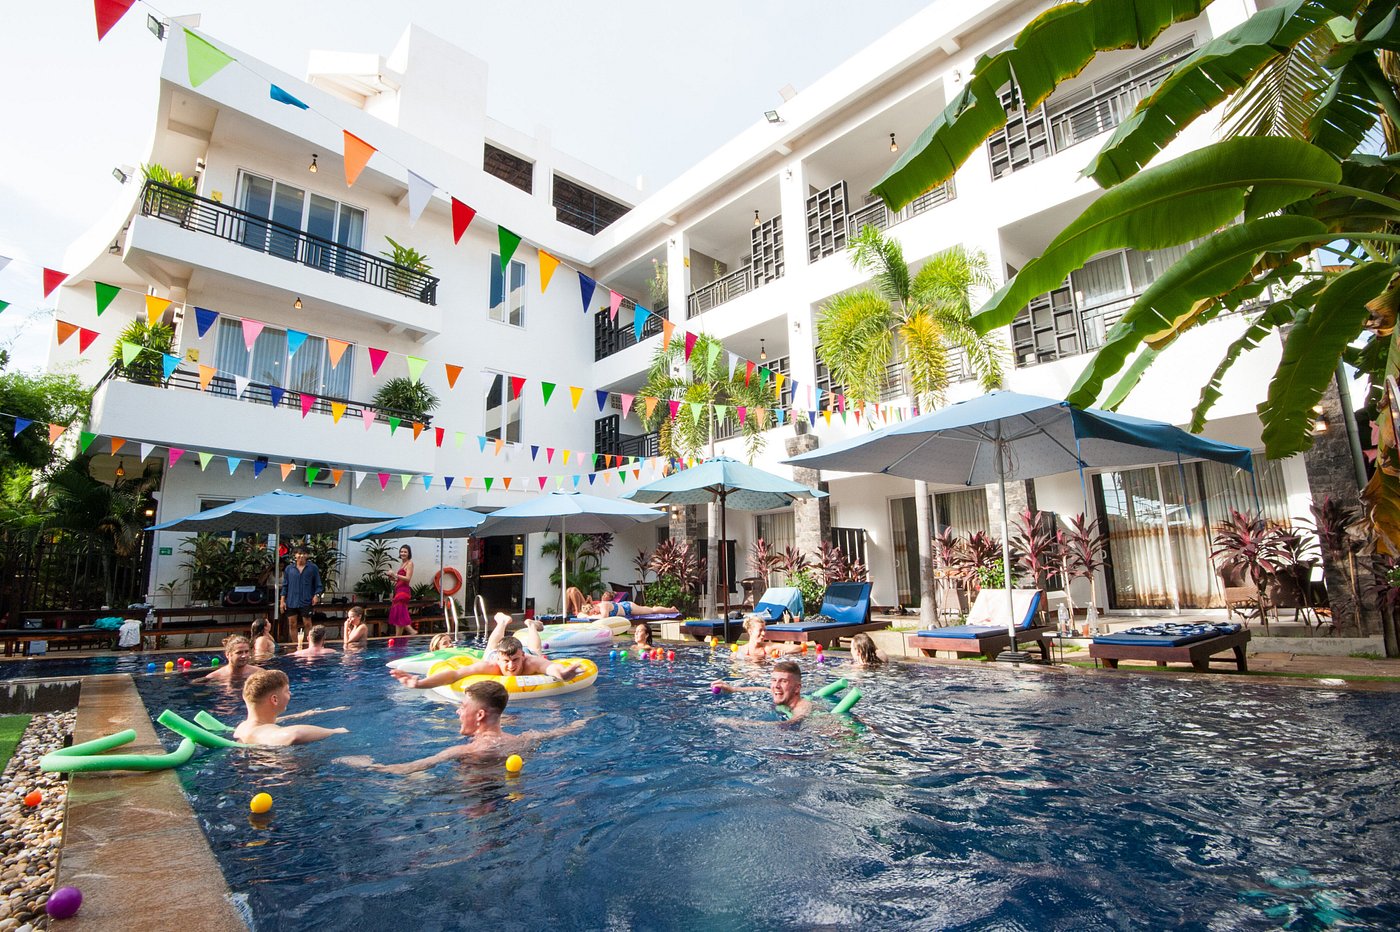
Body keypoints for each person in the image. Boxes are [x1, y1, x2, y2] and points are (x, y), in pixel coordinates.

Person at [336, 681, 585, 774]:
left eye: (462, 706)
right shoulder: (523, 739)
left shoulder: (465, 751)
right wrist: (583, 720)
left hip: (472, 807)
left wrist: (364, 764)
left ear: (479, 714)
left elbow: (406, 769)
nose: (457, 711)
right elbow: (559, 732)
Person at [389, 631, 582, 691]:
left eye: (515, 660)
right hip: (493, 653)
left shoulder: (530, 662)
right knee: (490, 647)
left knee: (538, 651)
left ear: (521, 656)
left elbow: (549, 667)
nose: (511, 666)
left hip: (530, 652)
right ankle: (501, 623)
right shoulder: (492, 665)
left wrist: (563, 674)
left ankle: (531, 626)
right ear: (500, 659)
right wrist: (420, 683)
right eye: (506, 661)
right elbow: (456, 675)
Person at [232, 669, 349, 746]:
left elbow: (273, 723)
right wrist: (335, 731)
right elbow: (294, 735)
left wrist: (305, 714)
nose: (290, 695)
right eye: (287, 691)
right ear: (274, 699)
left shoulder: (243, 726)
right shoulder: (262, 732)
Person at [711, 661, 814, 725]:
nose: (776, 686)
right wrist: (733, 689)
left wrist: (743, 723)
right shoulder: (780, 692)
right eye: (774, 680)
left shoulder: (802, 707)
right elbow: (764, 689)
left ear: (797, 688)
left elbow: (789, 723)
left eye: (784, 681)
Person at [280, 546, 323, 642]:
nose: (301, 556)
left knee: (307, 623)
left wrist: (316, 595)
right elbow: (285, 585)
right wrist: (282, 601)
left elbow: (319, 585)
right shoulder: (289, 569)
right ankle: (295, 646)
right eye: (299, 554)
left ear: (307, 555)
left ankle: (310, 644)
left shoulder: (313, 568)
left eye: (304, 554)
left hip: (306, 600)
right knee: (292, 623)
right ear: (295, 555)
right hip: (291, 601)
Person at [198, 635, 264, 684]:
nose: (244, 656)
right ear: (228, 655)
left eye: (246, 652)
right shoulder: (214, 677)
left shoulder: (259, 673)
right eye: (239, 652)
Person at [735, 615, 802, 662]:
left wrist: (782, 655)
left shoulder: (768, 648)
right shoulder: (741, 651)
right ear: (750, 631)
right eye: (760, 630)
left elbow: (799, 648)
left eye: (764, 630)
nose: (764, 633)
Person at [386, 544, 417, 636]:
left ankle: (412, 631)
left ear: (409, 553)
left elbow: (407, 578)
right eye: (401, 551)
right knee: (398, 614)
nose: (403, 553)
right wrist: (393, 578)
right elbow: (400, 579)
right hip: (398, 590)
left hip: (403, 592)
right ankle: (398, 637)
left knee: (399, 612)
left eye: (405, 552)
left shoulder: (410, 563)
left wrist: (395, 574)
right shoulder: (402, 564)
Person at [589, 591, 678, 620]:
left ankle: (671, 610)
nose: (595, 613)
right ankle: (670, 609)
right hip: (623, 607)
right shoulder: (598, 605)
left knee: (652, 610)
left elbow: (604, 618)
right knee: (649, 609)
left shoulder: (604, 606)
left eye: (594, 612)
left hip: (628, 607)